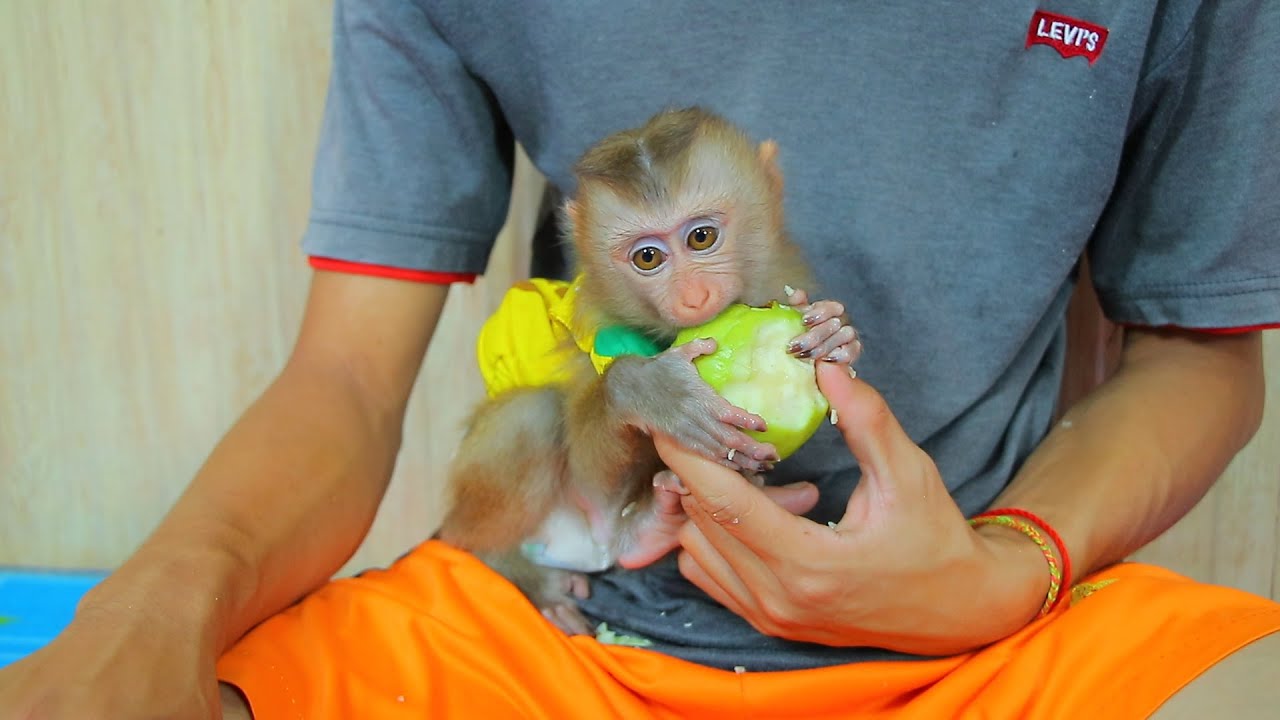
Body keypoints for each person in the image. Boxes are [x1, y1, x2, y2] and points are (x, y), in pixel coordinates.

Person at [3, 1, 1279, 717]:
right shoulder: (616, 334)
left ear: (769, 190)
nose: (694, 288)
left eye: (708, 241)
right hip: (552, 637)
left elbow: (1200, 350)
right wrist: (159, 598)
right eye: (649, 257)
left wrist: (1002, 573)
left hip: (996, 637)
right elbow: (342, 374)